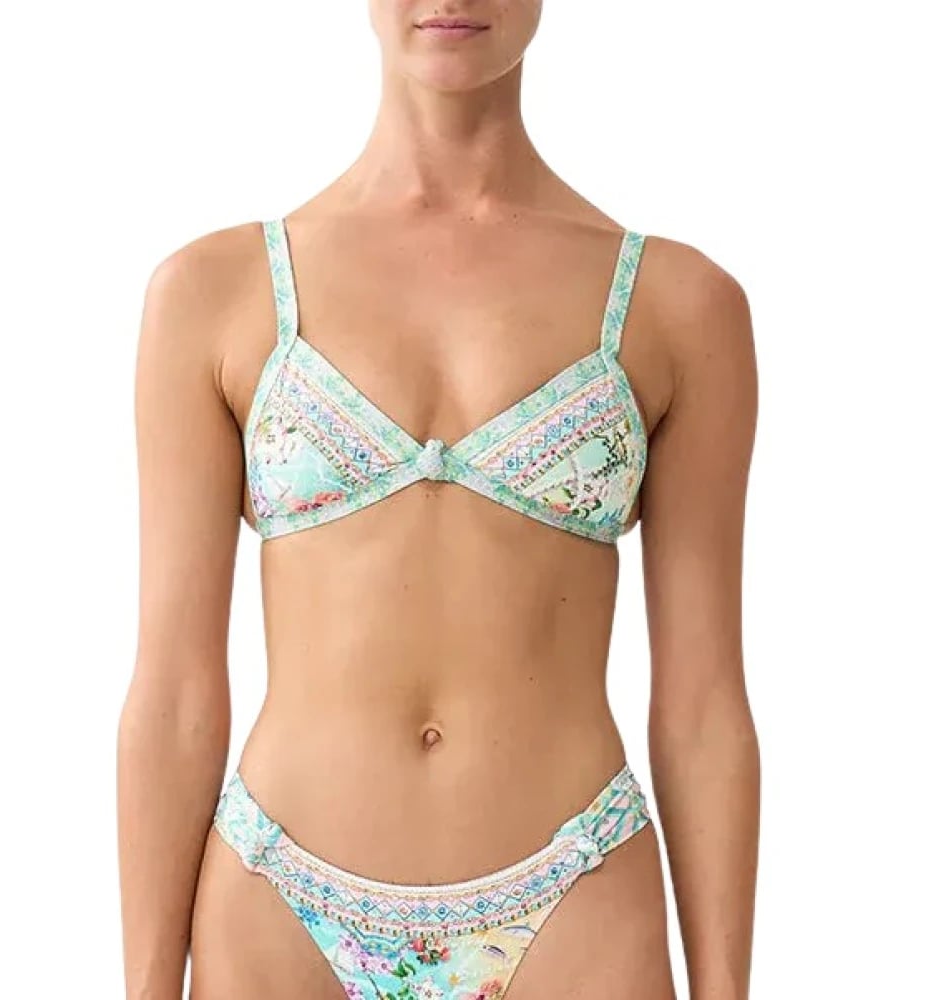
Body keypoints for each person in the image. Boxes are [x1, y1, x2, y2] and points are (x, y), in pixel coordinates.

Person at [117, 3, 760, 998]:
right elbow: (174, 693)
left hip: (575, 903)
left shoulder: (680, 306)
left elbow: (704, 703)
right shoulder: (214, 294)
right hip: (280, 906)